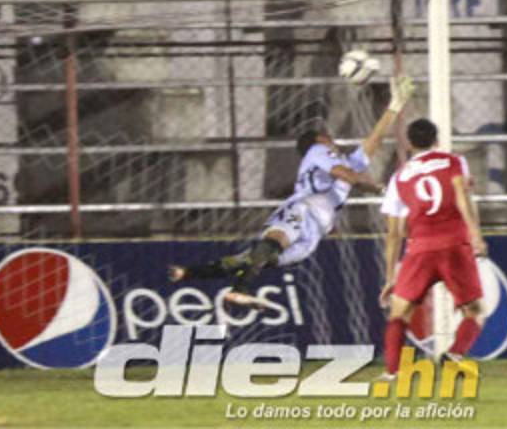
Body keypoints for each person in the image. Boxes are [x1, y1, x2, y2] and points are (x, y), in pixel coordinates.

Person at [168, 74, 414, 306]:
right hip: (304, 207)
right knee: (273, 242)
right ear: (319, 141)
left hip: (315, 231)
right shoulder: (317, 152)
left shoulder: (345, 162)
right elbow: (347, 176)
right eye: (329, 139)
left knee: (254, 258)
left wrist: (394, 106)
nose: (334, 143)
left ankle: (194, 274)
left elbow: (372, 143)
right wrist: (378, 188)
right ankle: (240, 290)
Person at [378, 119, 486, 380]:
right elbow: (462, 196)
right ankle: (455, 354)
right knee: (475, 311)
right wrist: (476, 235)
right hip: (454, 244)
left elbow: (393, 233)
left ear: (410, 144)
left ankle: (391, 372)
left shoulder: (399, 177)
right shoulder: (454, 162)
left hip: (420, 248)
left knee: (399, 313)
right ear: (437, 139)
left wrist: (391, 275)